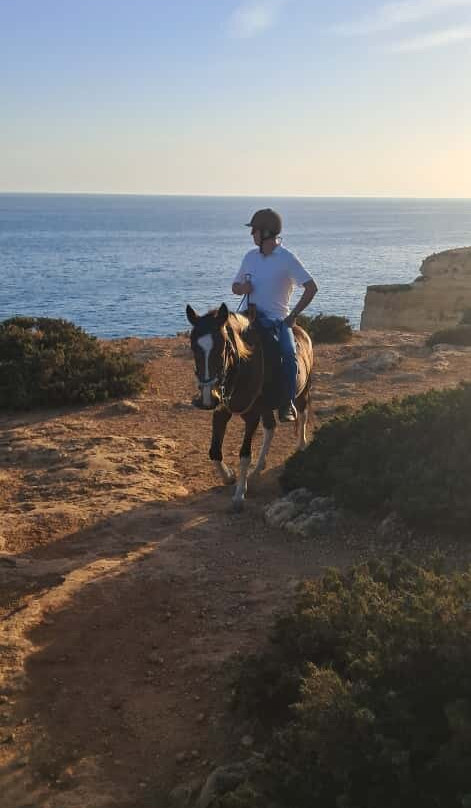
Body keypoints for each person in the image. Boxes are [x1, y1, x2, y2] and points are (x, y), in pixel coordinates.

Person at [232, 208, 318, 422]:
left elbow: (311, 288)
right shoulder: (250, 257)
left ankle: (287, 403)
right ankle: (218, 392)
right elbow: (235, 287)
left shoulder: (287, 259)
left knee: (289, 355)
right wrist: (242, 288)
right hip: (248, 317)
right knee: (222, 342)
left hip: (277, 320)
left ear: (266, 232)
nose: (251, 234)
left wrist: (294, 315)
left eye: (254, 230)